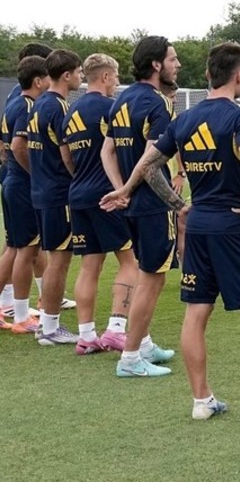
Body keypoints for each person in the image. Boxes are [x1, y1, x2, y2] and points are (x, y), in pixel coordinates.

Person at [102, 41, 240, 419]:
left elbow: (149, 165)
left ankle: (202, 401)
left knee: (196, 314)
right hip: (233, 227)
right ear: (239, 76)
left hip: (198, 226)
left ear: (207, 76)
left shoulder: (184, 119)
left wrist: (137, 193)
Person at [102, 36, 179, 377]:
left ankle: (143, 344)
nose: (178, 65)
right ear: (157, 64)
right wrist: (129, 189)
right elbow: (150, 162)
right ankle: (130, 358)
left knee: (146, 271)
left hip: (133, 205)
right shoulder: (158, 103)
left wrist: (121, 189)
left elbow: (107, 151)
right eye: (173, 59)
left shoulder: (121, 99)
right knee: (152, 279)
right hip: (152, 205)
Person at [64, 53, 139, 354]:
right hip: (107, 195)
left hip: (78, 193)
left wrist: (82, 178)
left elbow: (66, 157)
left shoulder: (71, 111)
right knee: (130, 262)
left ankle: (86, 336)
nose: (118, 82)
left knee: (89, 266)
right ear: (106, 76)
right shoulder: (111, 108)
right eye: (116, 76)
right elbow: (120, 150)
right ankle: (116, 329)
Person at [27, 48, 84, 345]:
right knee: (59, 261)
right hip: (58, 194)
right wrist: (81, 179)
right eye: (79, 72)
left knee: (55, 259)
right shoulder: (59, 107)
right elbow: (67, 154)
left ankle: (47, 324)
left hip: (41, 190)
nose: (81, 77)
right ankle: (49, 327)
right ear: (67, 75)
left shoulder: (38, 104)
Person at [1, 55, 50, 334]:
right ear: (38, 81)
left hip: (12, 182)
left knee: (14, 249)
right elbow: (19, 146)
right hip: (22, 186)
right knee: (26, 251)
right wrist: (36, 174)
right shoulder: (27, 106)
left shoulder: (13, 103)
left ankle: (11, 309)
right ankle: (21, 316)